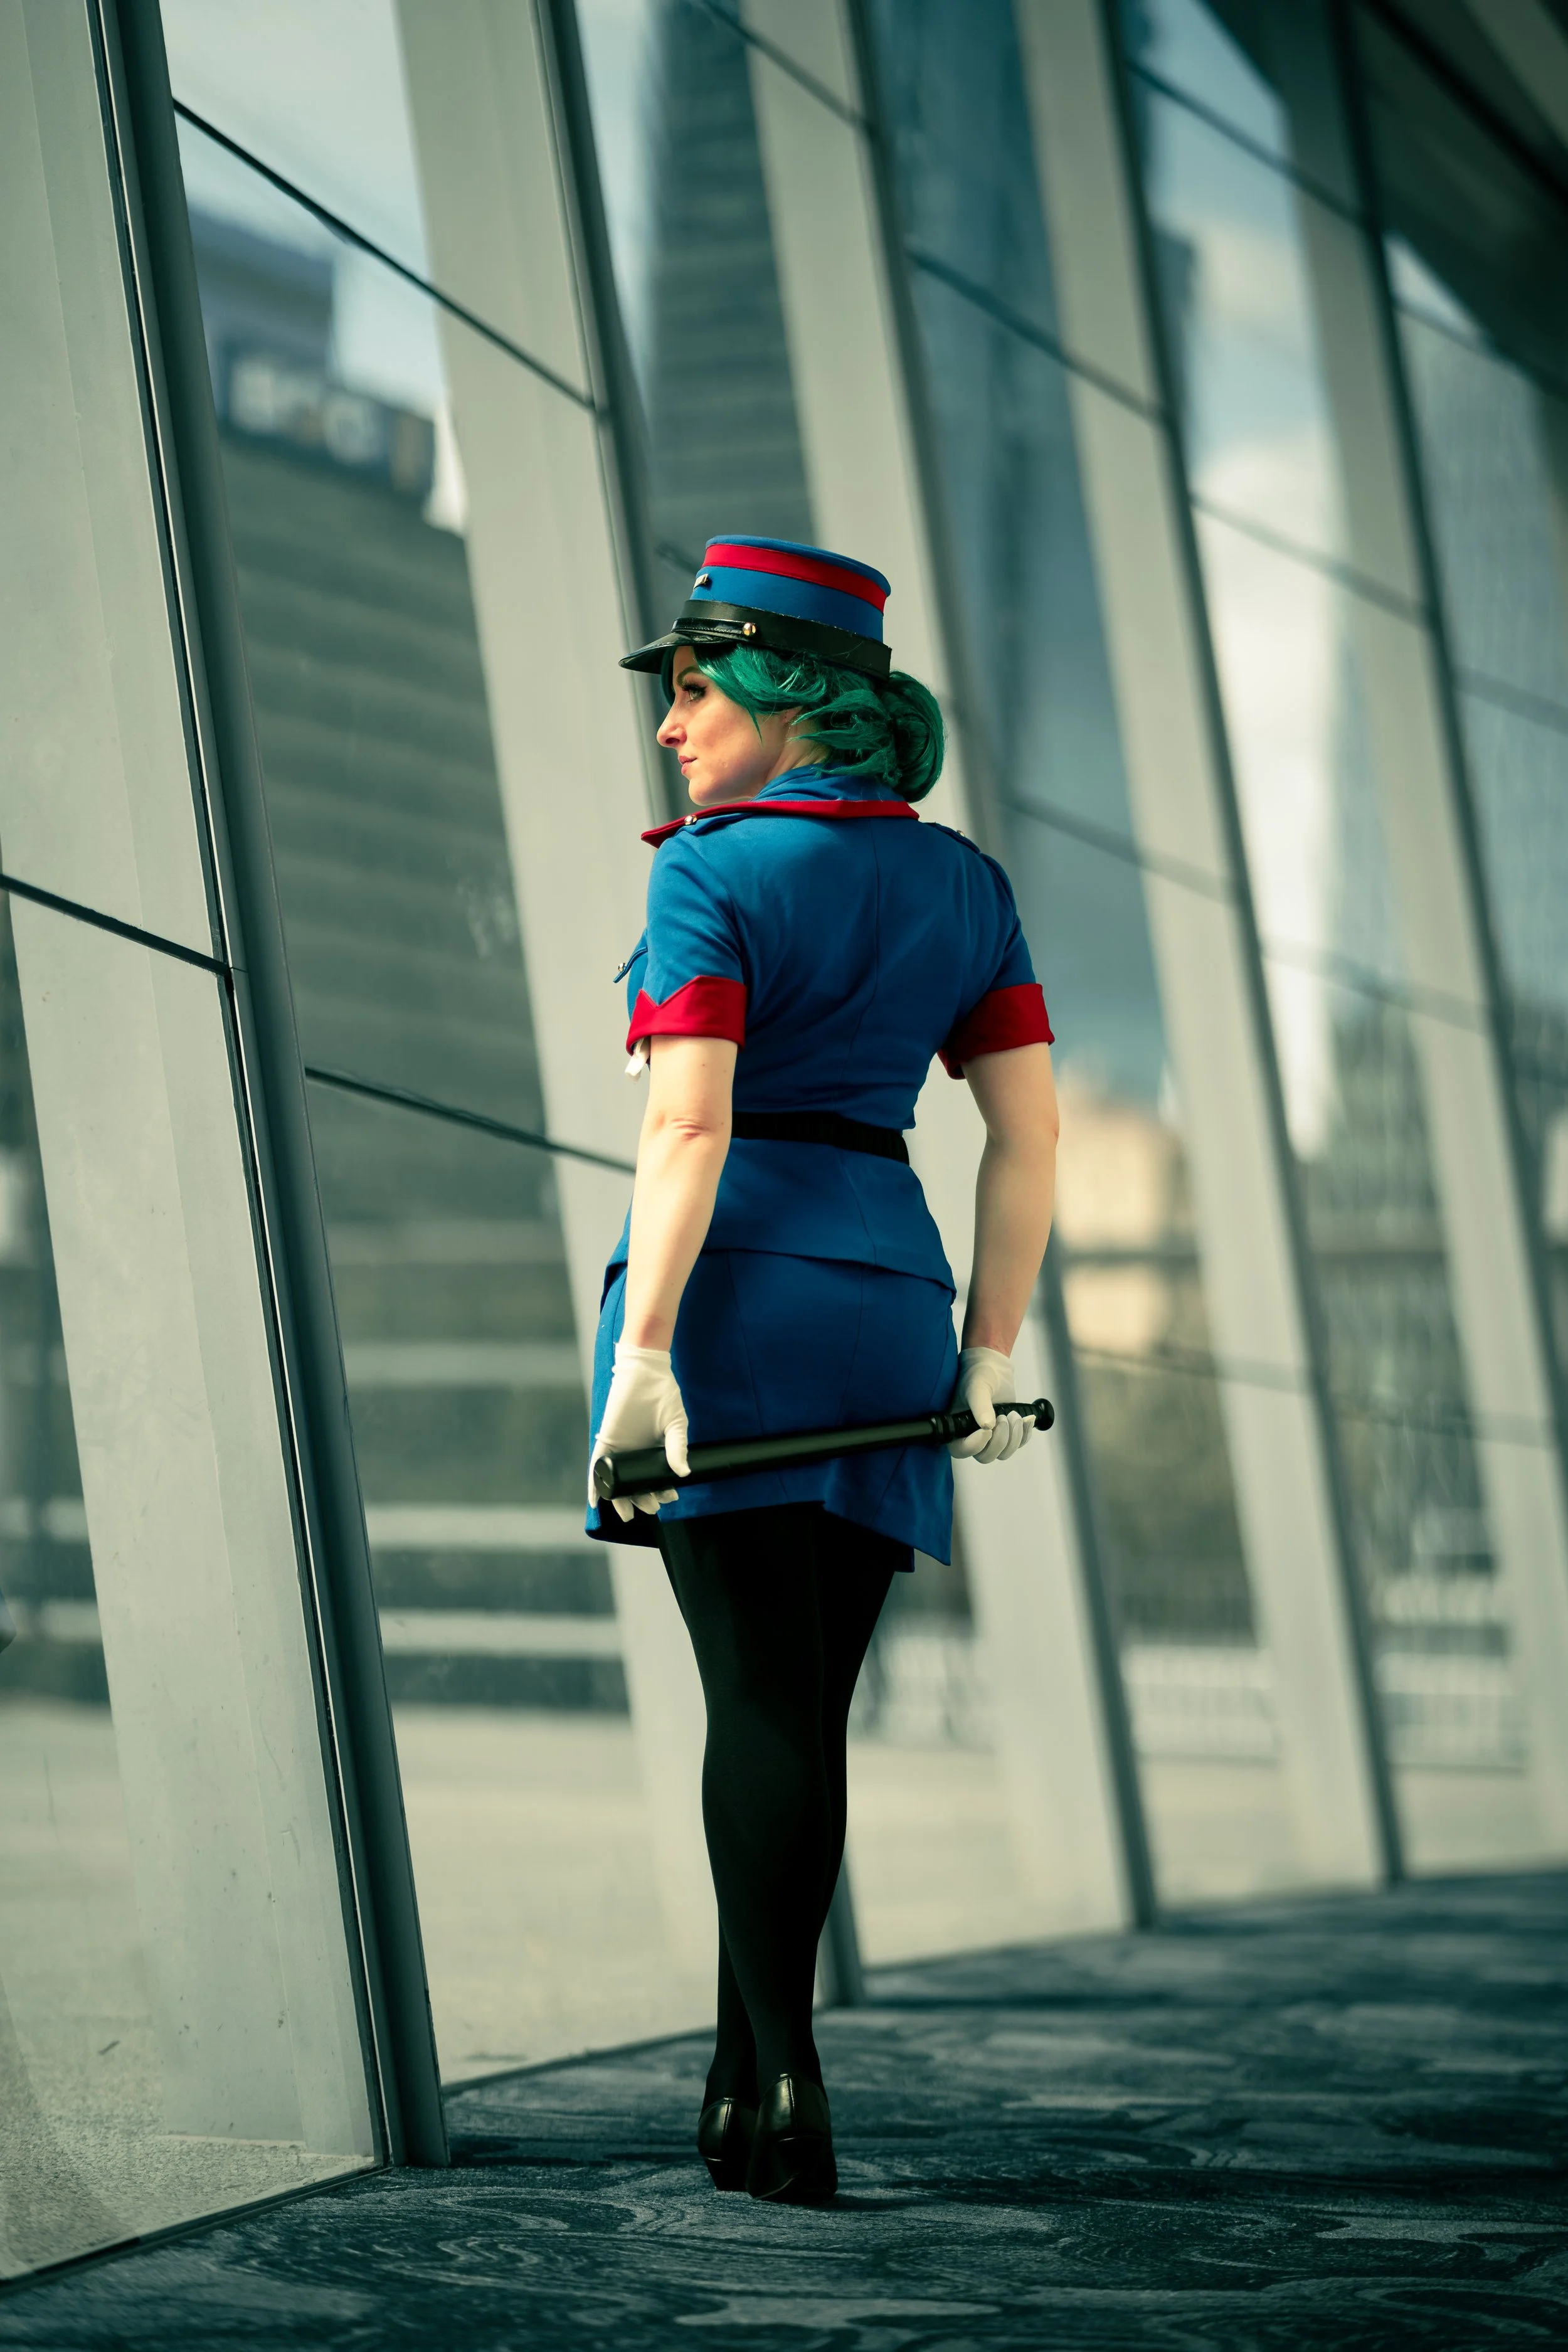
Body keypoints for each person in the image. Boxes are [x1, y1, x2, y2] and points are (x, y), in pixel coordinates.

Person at [586, 536, 1058, 2205]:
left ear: (786, 701)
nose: (671, 730)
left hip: (733, 1299)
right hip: (888, 1289)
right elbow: (1023, 1139)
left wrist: (644, 1351)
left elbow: (687, 1120)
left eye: (694, 691)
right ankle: (738, 2076)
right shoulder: (964, 886)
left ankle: (786, 2076)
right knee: (803, 1713)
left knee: (753, 1706)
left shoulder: (708, 873)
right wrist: (988, 1346)